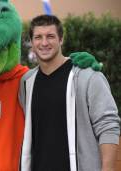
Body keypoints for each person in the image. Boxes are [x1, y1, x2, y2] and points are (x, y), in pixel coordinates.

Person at [19, 14, 120, 171]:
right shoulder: (26, 82)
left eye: (50, 36)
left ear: (61, 39)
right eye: (38, 37)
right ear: (31, 42)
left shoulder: (87, 76)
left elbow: (108, 125)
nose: (44, 42)